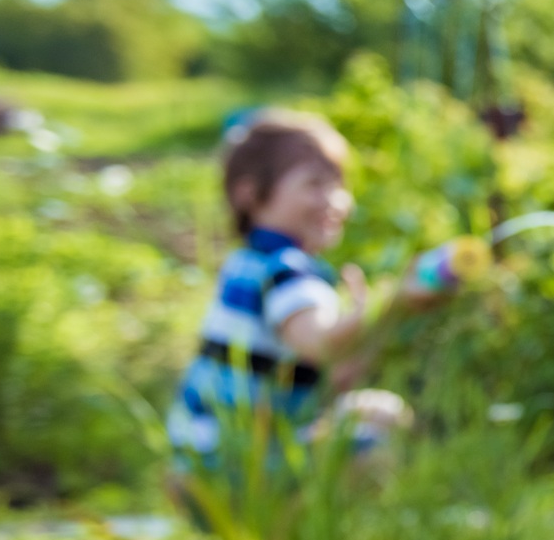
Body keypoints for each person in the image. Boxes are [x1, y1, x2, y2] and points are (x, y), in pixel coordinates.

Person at [166, 110, 412, 493]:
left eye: (339, 185)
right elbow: (319, 344)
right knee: (380, 426)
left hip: (201, 464)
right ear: (249, 195)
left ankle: (283, 537)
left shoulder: (247, 262)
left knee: (375, 409)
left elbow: (335, 374)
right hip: (234, 468)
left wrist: (367, 331)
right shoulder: (286, 269)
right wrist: (389, 303)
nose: (335, 200)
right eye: (314, 184)